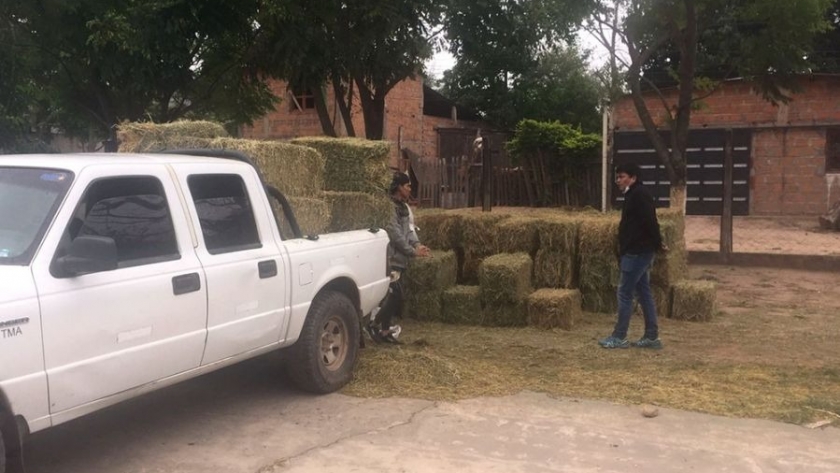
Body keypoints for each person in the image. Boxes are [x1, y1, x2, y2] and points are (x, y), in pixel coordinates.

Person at [599, 162, 668, 349]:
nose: (618, 181)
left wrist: (657, 242)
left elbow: (650, 221)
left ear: (633, 177)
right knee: (644, 292)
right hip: (637, 250)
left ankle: (619, 336)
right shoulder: (633, 194)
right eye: (617, 177)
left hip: (637, 252)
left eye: (622, 176)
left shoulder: (639, 195)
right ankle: (652, 337)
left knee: (624, 293)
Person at [367, 172, 430, 344]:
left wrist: (417, 245)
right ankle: (375, 324)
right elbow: (394, 233)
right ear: (399, 187)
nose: (410, 189)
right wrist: (411, 251)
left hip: (401, 259)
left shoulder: (403, 207)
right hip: (391, 258)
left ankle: (386, 332)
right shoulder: (389, 208)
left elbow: (408, 230)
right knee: (395, 295)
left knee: (394, 295)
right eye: (407, 186)